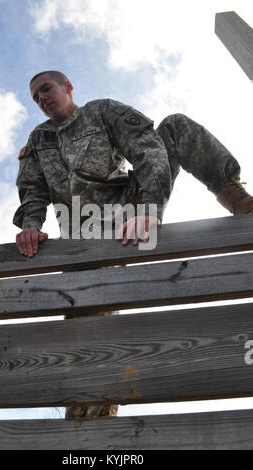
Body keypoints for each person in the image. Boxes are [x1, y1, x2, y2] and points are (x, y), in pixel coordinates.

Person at [13, 70, 253, 418]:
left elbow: (147, 147)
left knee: (173, 127)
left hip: (129, 208)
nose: (41, 99)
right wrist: (31, 226)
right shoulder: (39, 139)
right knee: (86, 326)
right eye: (35, 97)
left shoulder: (102, 111)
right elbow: (32, 189)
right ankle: (92, 416)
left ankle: (239, 201)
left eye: (46, 89)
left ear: (68, 87)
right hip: (85, 236)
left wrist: (149, 208)